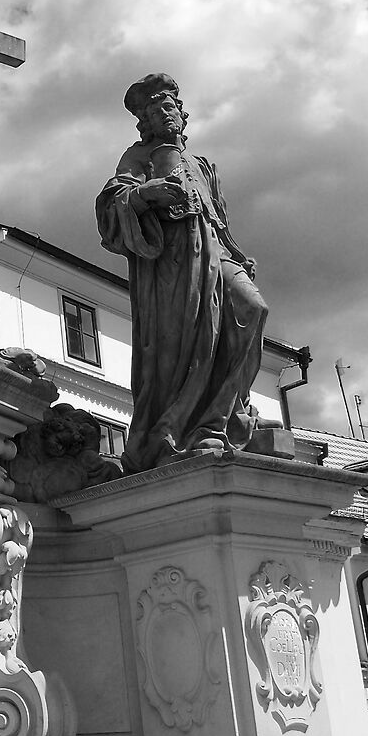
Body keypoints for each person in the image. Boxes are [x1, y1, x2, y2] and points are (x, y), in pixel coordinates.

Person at [96, 73, 268, 472]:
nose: (164, 115)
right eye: (155, 111)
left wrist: (238, 256)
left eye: (168, 107)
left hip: (213, 249)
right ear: (146, 122)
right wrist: (145, 193)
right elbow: (112, 204)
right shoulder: (140, 157)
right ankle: (191, 427)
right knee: (187, 341)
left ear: (180, 112)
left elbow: (218, 218)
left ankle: (226, 417)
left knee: (251, 309)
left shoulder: (202, 165)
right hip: (173, 259)